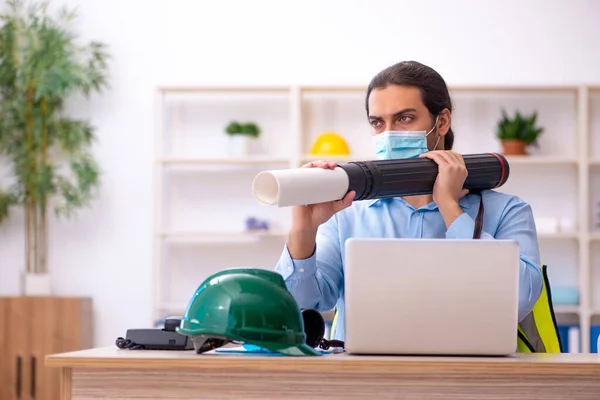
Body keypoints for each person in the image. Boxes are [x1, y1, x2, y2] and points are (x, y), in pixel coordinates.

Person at [274, 60, 543, 343]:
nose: (388, 133)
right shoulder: (346, 212)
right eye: (378, 122)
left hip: (468, 378)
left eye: (404, 118)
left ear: (442, 121)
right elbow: (298, 309)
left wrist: (451, 208)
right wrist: (304, 232)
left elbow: (518, 302)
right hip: (365, 378)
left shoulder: (507, 211)